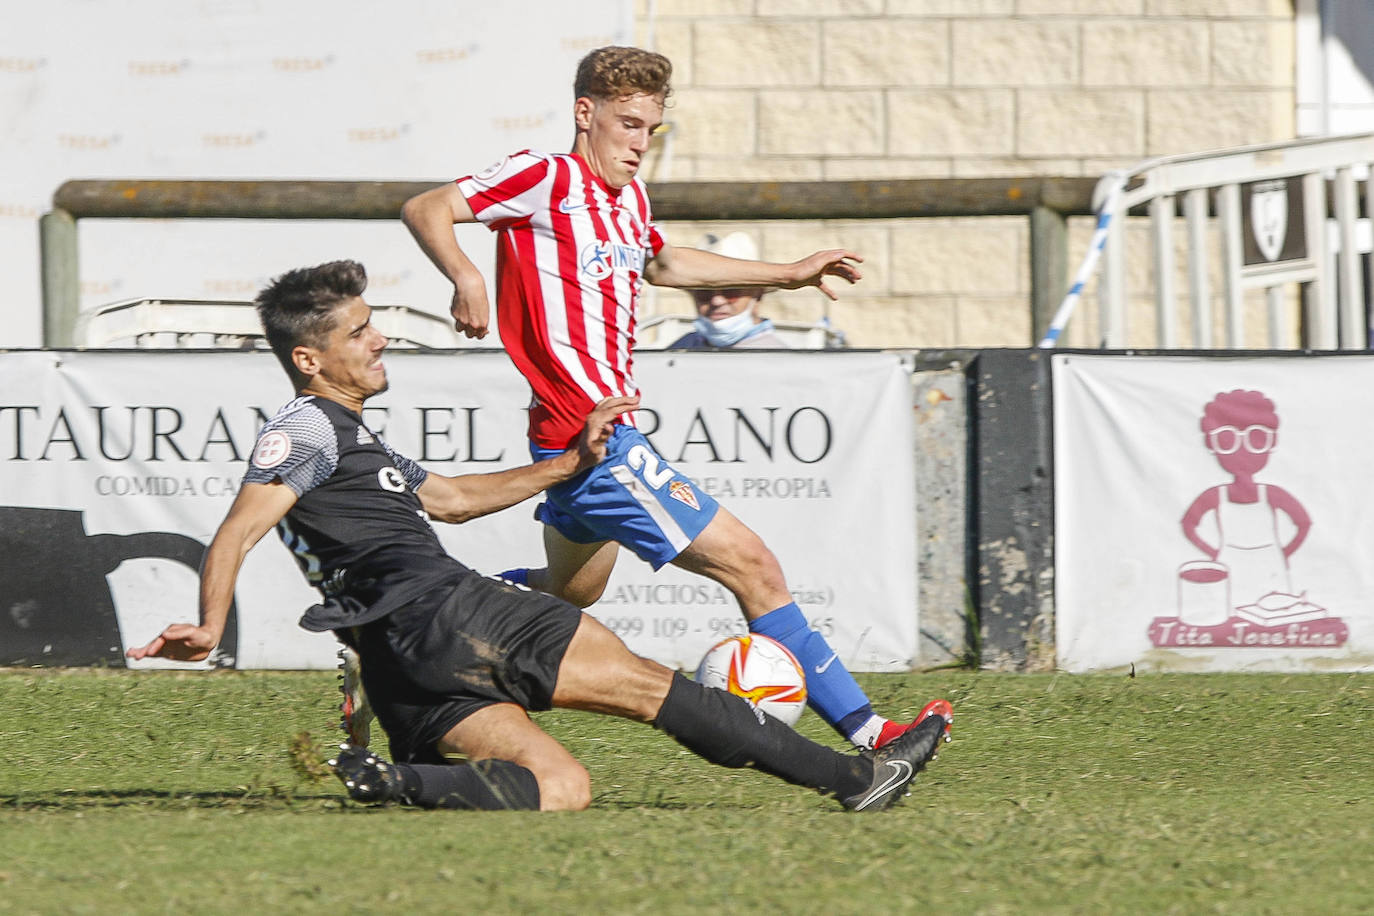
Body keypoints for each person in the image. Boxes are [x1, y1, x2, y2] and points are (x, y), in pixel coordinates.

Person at [126, 260, 951, 811]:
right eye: (359, 331)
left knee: (560, 785)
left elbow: (449, 499)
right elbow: (238, 529)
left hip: (399, 663)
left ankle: (394, 781)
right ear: (309, 360)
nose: (379, 339)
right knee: (657, 690)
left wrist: (567, 465)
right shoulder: (303, 431)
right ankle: (857, 776)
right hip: (447, 612)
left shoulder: (352, 437)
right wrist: (208, 622)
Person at [400, 45, 947, 753]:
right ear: (585, 113)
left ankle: (417, 622)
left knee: (569, 594)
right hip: (595, 438)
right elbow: (427, 208)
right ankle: (874, 735)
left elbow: (664, 261)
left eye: (650, 130)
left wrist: (787, 274)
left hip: (575, 441)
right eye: (628, 124)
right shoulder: (544, 176)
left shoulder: (628, 200)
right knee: (755, 567)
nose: (639, 143)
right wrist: (466, 275)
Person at [666, 231, 787, 349]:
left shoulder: (777, 357)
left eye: (730, 291)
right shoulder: (680, 349)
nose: (717, 301)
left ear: (757, 294)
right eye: (704, 292)